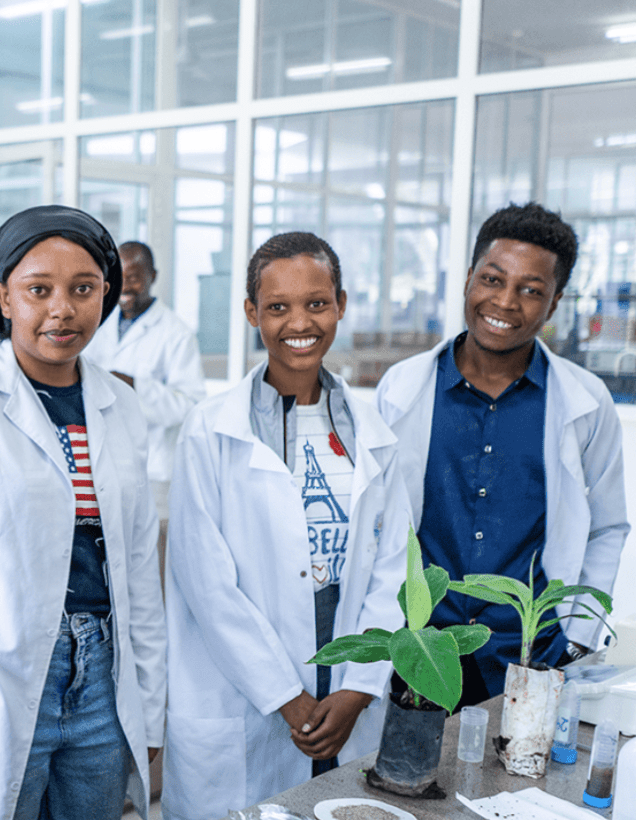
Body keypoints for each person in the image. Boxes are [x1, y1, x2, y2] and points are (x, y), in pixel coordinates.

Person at [0, 205, 166, 820]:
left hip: (104, 668)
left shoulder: (120, 404)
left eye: (83, 289)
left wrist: (150, 708)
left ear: (108, 292)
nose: (62, 309)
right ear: (3, 297)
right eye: (38, 290)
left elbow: (135, 565)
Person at [161, 232, 409, 820]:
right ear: (252, 313)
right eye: (277, 307)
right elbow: (206, 583)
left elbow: (394, 566)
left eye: (316, 303)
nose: (299, 321)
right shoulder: (209, 430)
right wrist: (287, 697)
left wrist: (356, 690)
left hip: (345, 658)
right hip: (246, 676)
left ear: (341, 305)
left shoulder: (374, 431)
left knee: (337, 803)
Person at [375, 202, 629, 708]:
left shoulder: (585, 401)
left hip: (531, 656)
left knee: (516, 785)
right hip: (422, 649)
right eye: (493, 279)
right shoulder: (402, 389)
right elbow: (377, 524)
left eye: (531, 290)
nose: (506, 301)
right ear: (469, 279)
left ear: (554, 304)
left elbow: (607, 526)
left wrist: (575, 636)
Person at [83, 241, 206, 524]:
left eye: (135, 278)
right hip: (101, 466)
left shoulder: (176, 334)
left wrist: (134, 386)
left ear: (153, 277)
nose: (125, 287)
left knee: (151, 557)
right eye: (119, 278)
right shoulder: (98, 324)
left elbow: (190, 406)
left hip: (153, 471)